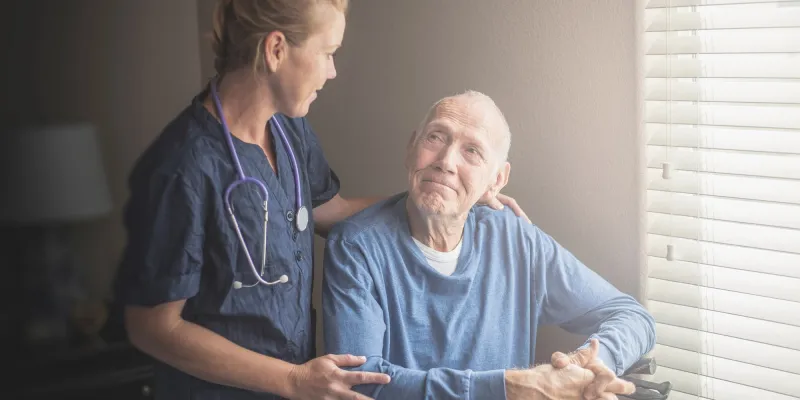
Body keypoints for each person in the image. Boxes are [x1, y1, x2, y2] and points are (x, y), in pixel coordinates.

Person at [113, 1, 528, 399]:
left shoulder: (290, 132)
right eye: (327, 52)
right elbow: (151, 326)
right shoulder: (182, 167)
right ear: (276, 49)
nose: (332, 71)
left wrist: (446, 198)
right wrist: (293, 380)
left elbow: (331, 212)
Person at [322, 91, 657, 399]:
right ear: (411, 148)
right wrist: (511, 387)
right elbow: (359, 383)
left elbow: (631, 315)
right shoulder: (355, 247)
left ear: (496, 180)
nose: (447, 161)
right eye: (436, 136)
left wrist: (589, 365)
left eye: (472, 151)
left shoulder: (517, 241)